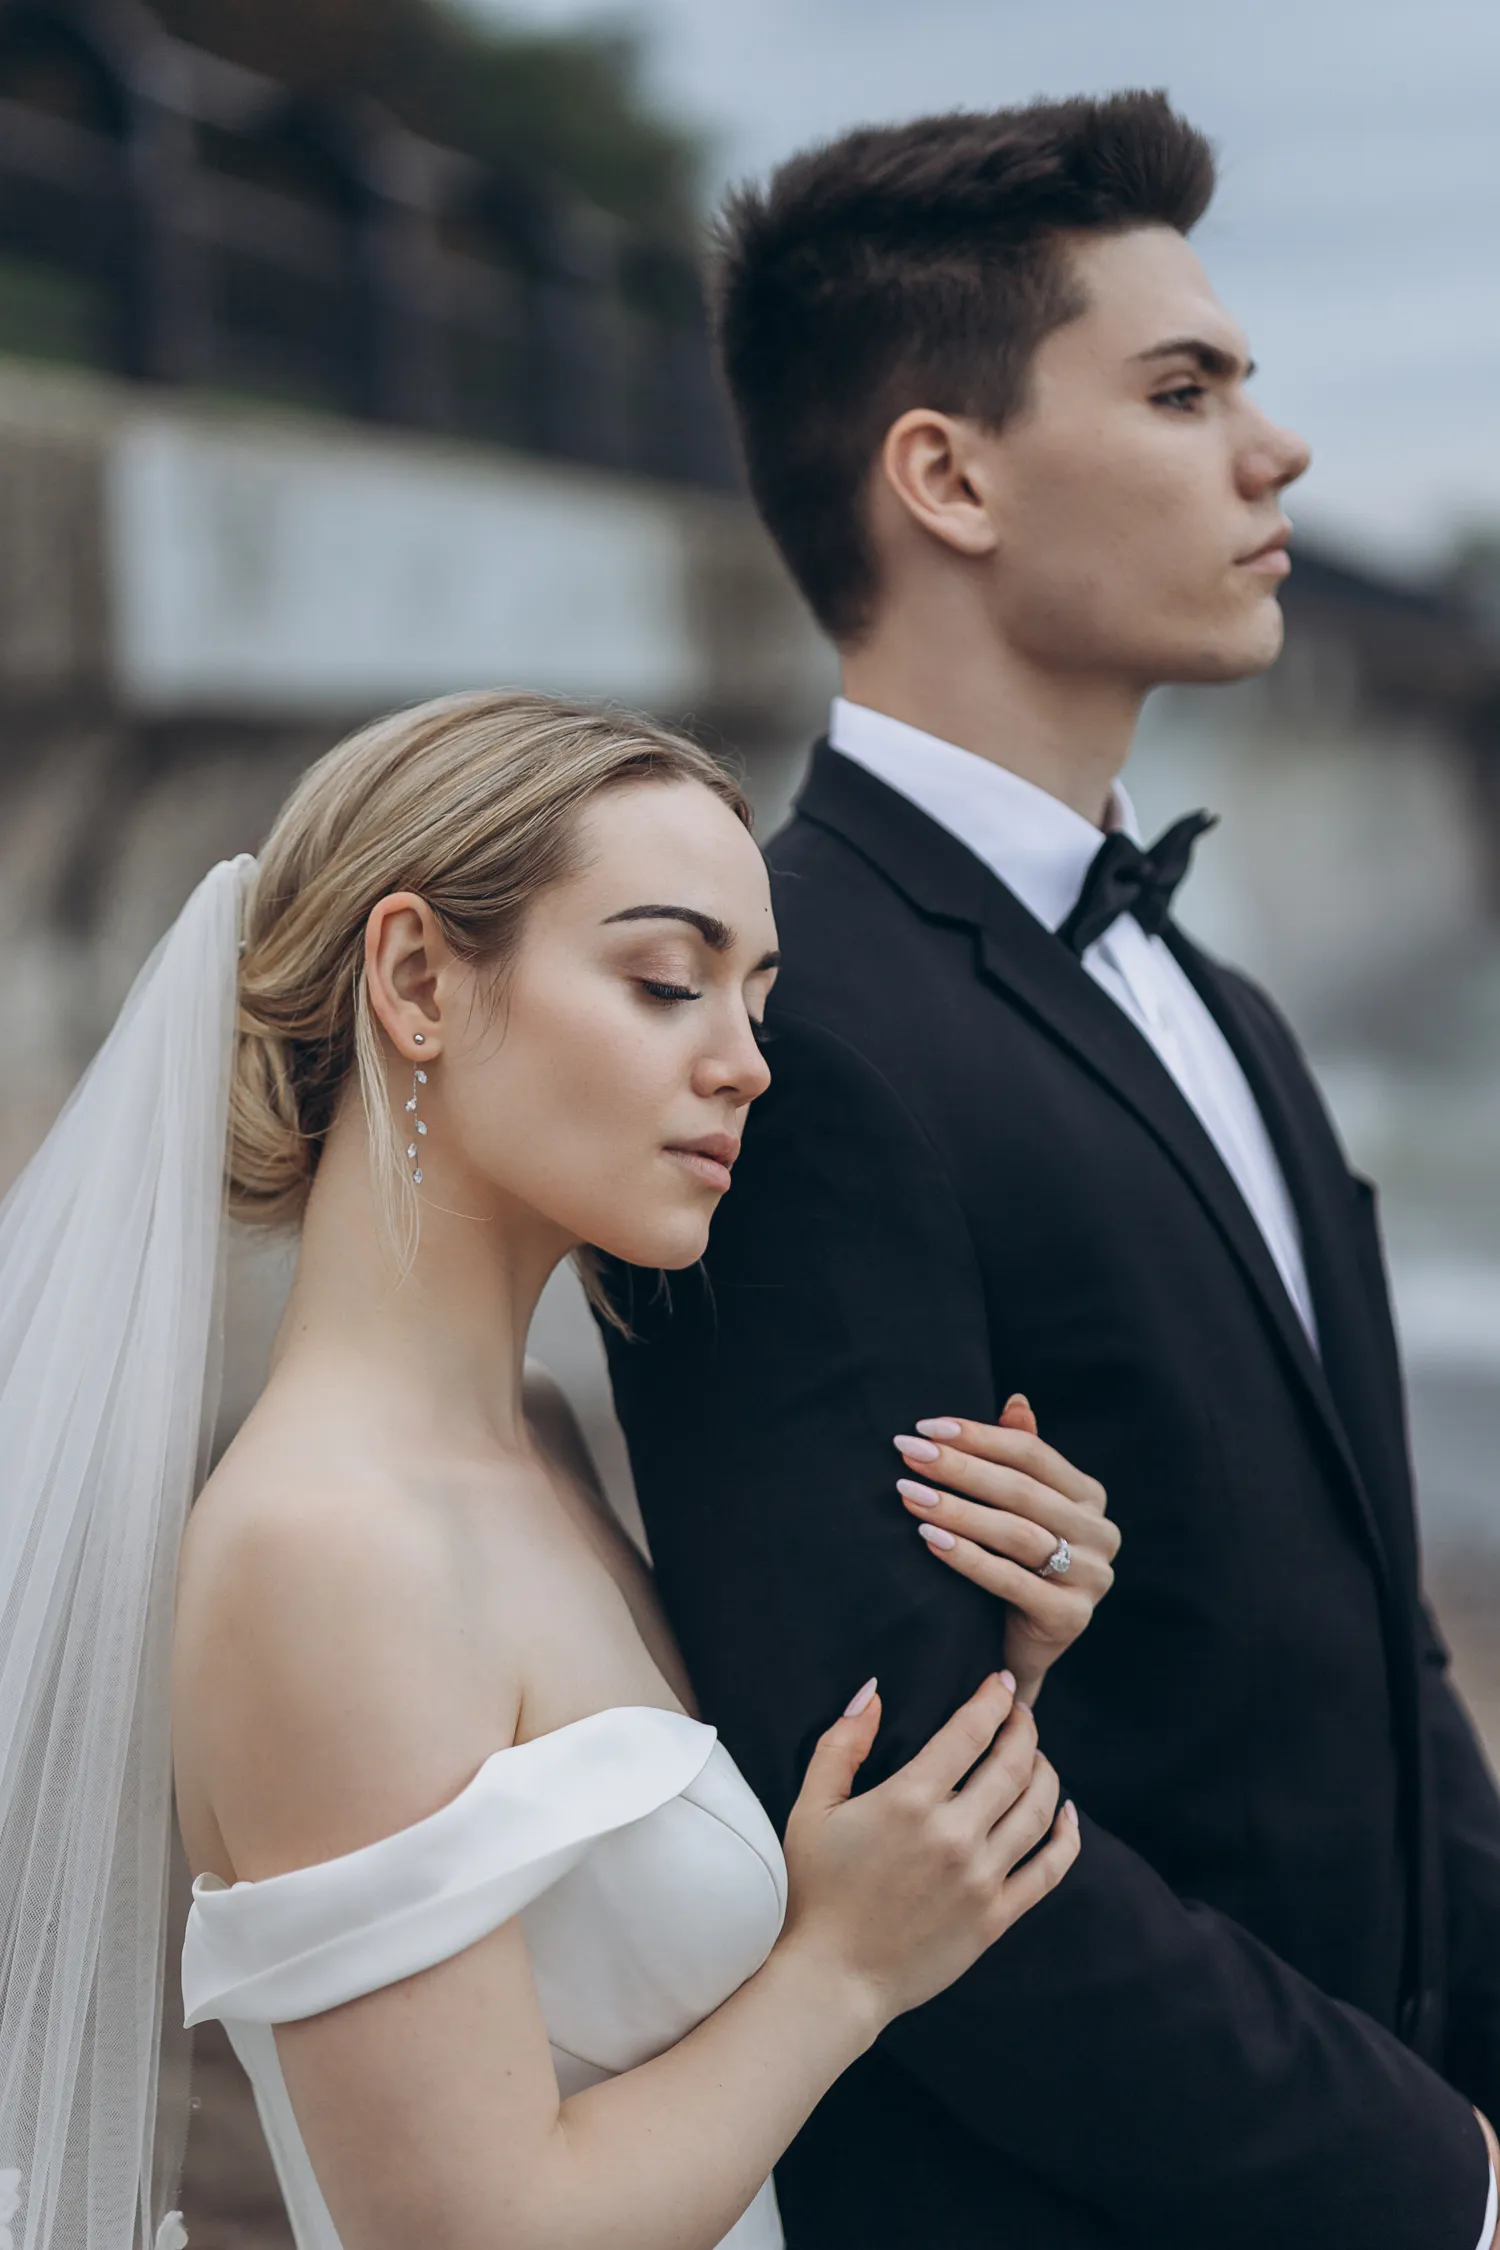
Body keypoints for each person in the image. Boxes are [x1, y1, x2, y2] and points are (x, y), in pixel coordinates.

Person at [597, 91, 1500, 2250]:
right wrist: (1430, 2184)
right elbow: (916, 1822)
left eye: (1253, 390)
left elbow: (1392, 1664)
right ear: (948, 473)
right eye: (1185, 392)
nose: (1272, 455)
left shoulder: (1230, 1010)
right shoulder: (785, 1029)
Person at [0, 689, 1113, 2250]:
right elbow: (467, 2227)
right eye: (669, 982)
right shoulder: (324, 1548)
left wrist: (998, 1649)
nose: (747, 1065)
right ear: (415, 981)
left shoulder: (538, 1434)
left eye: (756, 1001)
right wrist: (843, 1969)